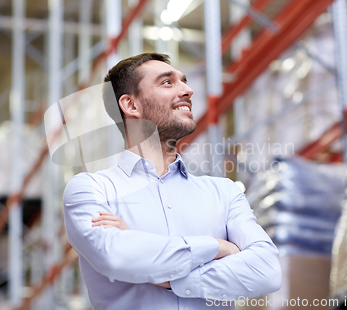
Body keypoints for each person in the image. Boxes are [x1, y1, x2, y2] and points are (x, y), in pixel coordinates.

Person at [63, 53, 281, 310]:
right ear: (131, 105)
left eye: (184, 81)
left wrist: (168, 277)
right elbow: (116, 257)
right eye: (167, 82)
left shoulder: (224, 192)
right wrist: (219, 247)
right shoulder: (91, 190)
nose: (187, 90)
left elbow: (267, 271)